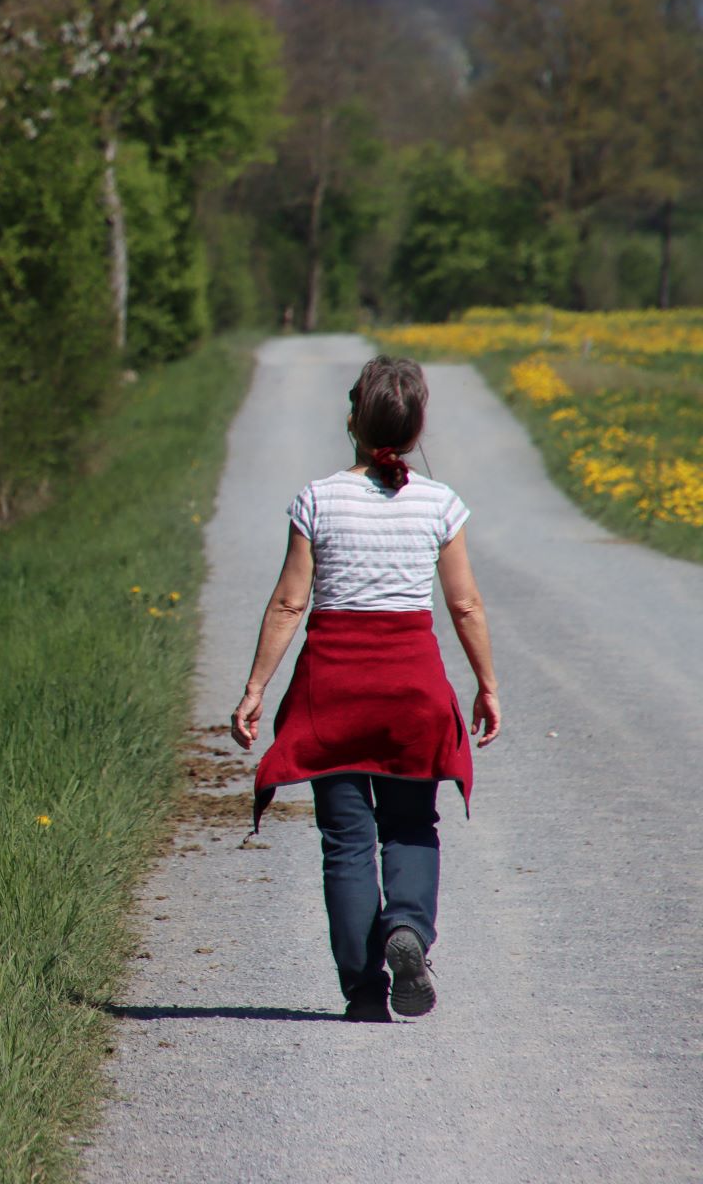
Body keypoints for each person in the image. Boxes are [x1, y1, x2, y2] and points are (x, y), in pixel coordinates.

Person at [229, 355, 501, 1023]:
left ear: (352, 419)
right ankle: (406, 926)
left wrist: (256, 688)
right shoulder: (440, 504)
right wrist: (486, 684)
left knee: (346, 841)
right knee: (410, 826)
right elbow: (464, 605)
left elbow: (291, 604)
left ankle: (364, 990)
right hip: (412, 688)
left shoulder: (317, 499)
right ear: (417, 429)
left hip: (335, 690)